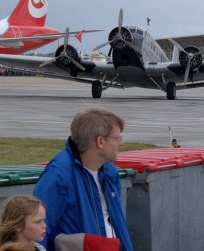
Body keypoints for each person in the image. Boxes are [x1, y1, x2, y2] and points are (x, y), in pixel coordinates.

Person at [33, 107, 133, 251]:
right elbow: (38, 232)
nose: (121, 143)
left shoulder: (109, 170)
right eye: (117, 138)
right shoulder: (58, 176)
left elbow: (116, 225)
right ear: (100, 141)